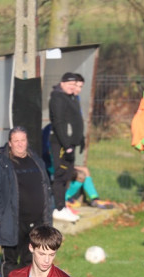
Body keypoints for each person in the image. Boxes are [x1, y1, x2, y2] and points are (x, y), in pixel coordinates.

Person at [0, 127, 53, 277]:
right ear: (10, 143)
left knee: (33, 259)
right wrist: (0, 217)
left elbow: (46, 188)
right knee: (11, 262)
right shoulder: (1, 164)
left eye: (23, 140)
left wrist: (48, 215)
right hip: (12, 221)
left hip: (37, 221)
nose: (20, 144)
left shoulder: (36, 160)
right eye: (16, 141)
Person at [48, 72, 86, 224]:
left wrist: (80, 139)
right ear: (62, 83)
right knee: (61, 174)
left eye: (74, 84)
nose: (72, 87)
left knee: (68, 174)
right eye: (70, 84)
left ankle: (62, 206)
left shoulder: (70, 97)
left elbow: (75, 121)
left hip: (70, 144)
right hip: (62, 144)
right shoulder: (57, 98)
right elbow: (59, 123)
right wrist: (67, 145)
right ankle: (58, 208)